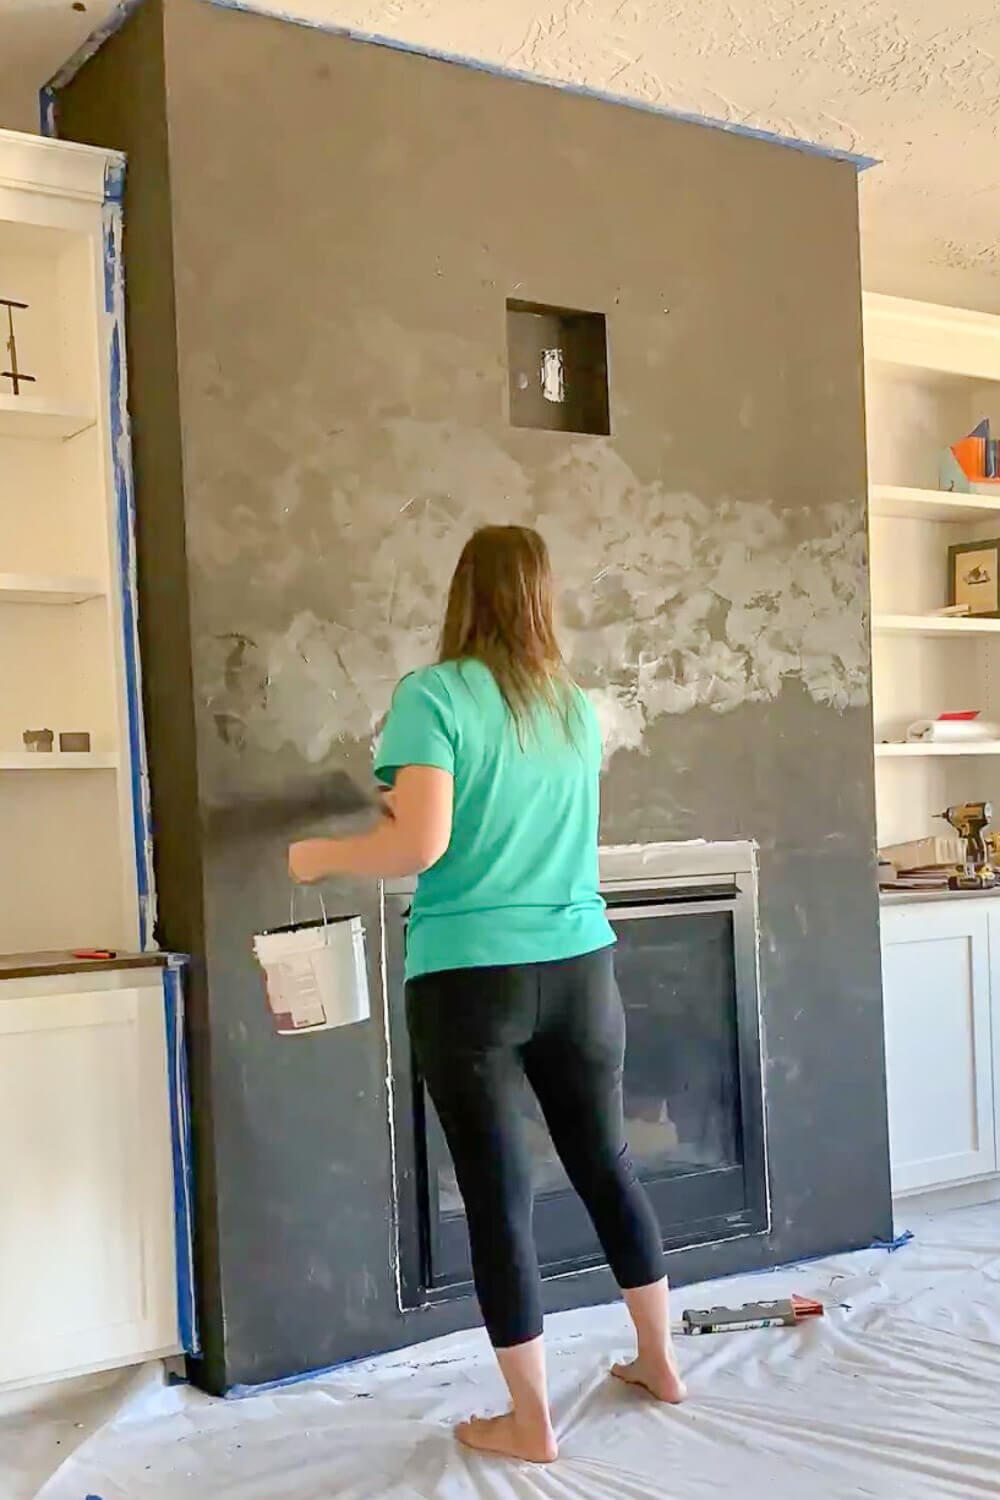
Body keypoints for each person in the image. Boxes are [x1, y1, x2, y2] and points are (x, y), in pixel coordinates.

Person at [289, 524, 686, 1464]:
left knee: (499, 1195)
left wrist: (319, 856)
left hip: (472, 976)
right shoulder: (573, 709)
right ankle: (660, 1362)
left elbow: (421, 847)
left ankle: (530, 1423)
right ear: (543, 597)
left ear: (462, 593)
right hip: (581, 965)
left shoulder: (433, 695)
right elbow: (500, 815)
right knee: (606, 1161)